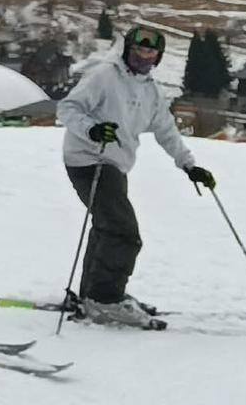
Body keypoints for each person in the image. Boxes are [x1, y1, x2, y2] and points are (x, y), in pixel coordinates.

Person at [56, 25, 215, 326]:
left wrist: (189, 165)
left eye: (150, 52)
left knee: (107, 226)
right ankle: (105, 299)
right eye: (139, 49)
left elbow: (167, 130)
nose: (143, 56)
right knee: (123, 231)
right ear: (128, 50)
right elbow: (67, 108)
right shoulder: (105, 76)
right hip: (89, 160)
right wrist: (92, 130)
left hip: (115, 165)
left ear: (158, 57)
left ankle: (93, 294)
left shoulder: (151, 90)